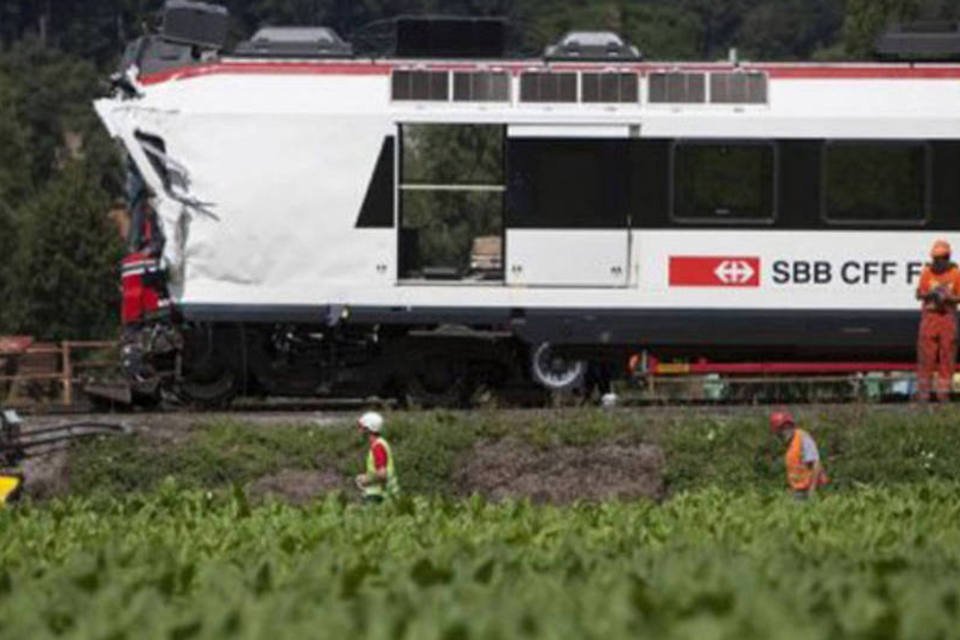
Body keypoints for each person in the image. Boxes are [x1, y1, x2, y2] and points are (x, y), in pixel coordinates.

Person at [915, 240, 960, 402]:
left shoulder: (956, 273)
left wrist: (948, 298)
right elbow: (919, 294)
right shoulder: (927, 272)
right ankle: (924, 394)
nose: (936, 262)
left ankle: (943, 394)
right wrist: (930, 295)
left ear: (947, 258)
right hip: (930, 317)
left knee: (947, 356)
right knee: (926, 356)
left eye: (939, 258)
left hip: (947, 317)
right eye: (935, 258)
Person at [769, 411, 828, 499]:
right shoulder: (789, 443)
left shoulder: (802, 438)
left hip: (810, 489)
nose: (784, 431)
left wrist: (812, 490)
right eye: (781, 429)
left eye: (786, 427)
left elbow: (816, 464)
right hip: (799, 490)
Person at [354, 411, 399, 503]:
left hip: (380, 497)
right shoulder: (380, 444)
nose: (359, 431)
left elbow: (382, 474)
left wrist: (366, 479)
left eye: (361, 428)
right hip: (383, 495)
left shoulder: (378, 447)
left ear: (368, 429)